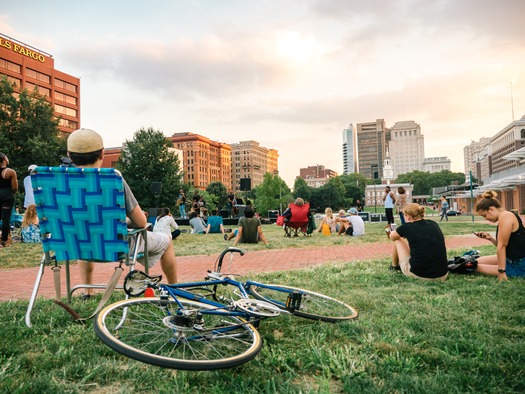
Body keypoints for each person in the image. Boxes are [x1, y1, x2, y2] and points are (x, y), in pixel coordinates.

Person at [66, 128, 177, 290]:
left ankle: (87, 290)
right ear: (102, 153)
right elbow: (140, 222)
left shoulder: (56, 182)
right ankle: (175, 288)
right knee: (166, 241)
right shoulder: (112, 179)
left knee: (84, 232)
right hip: (116, 246)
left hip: (74, 245)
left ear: (69, 154)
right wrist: (125, 220)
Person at [388, 203, 448, 281]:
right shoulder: (433, 224)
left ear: (407, 216)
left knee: (397, 240)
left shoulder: (406, 227)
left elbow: (392, 237)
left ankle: (394, 266)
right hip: (442, 274)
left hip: (420, 274)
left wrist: (401, 233)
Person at [474, 190, 525, 281]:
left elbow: (502, 246)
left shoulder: (506, 216)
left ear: (491, 209)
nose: (486, 219)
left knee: (472, 266)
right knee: (475, 262)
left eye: (485, 215)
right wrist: (491, 239)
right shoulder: (505, 216)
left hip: (520, 265)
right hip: (511, 259)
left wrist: (501, 271)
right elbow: (508, 246)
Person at [0, 152, 18, 248]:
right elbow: (15, 188)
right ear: (4, 160)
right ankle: (4, 241)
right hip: (7, 195)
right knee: (5, 219)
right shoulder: (10, 172)